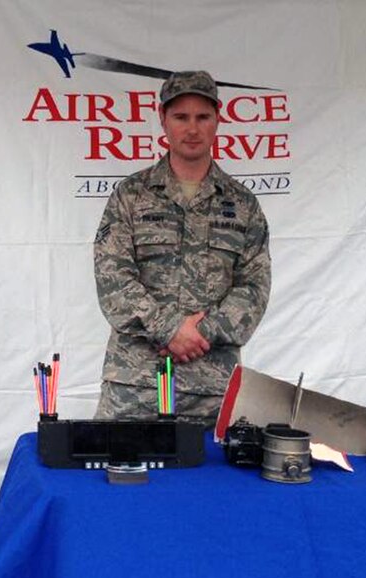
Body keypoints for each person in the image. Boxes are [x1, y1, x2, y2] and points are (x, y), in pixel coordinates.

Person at [93, 71, 271, 424]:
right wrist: (169, 328)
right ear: (163, 119)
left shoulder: (242, 204)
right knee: (115, 479)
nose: (192, 129)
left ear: (218, 120)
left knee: (210, 481)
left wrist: (200, 333)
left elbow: (254, 289)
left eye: (203, 117)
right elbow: (113, 278)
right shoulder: (130, 196)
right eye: (181, 117)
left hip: (212, 391)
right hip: (135, 388)